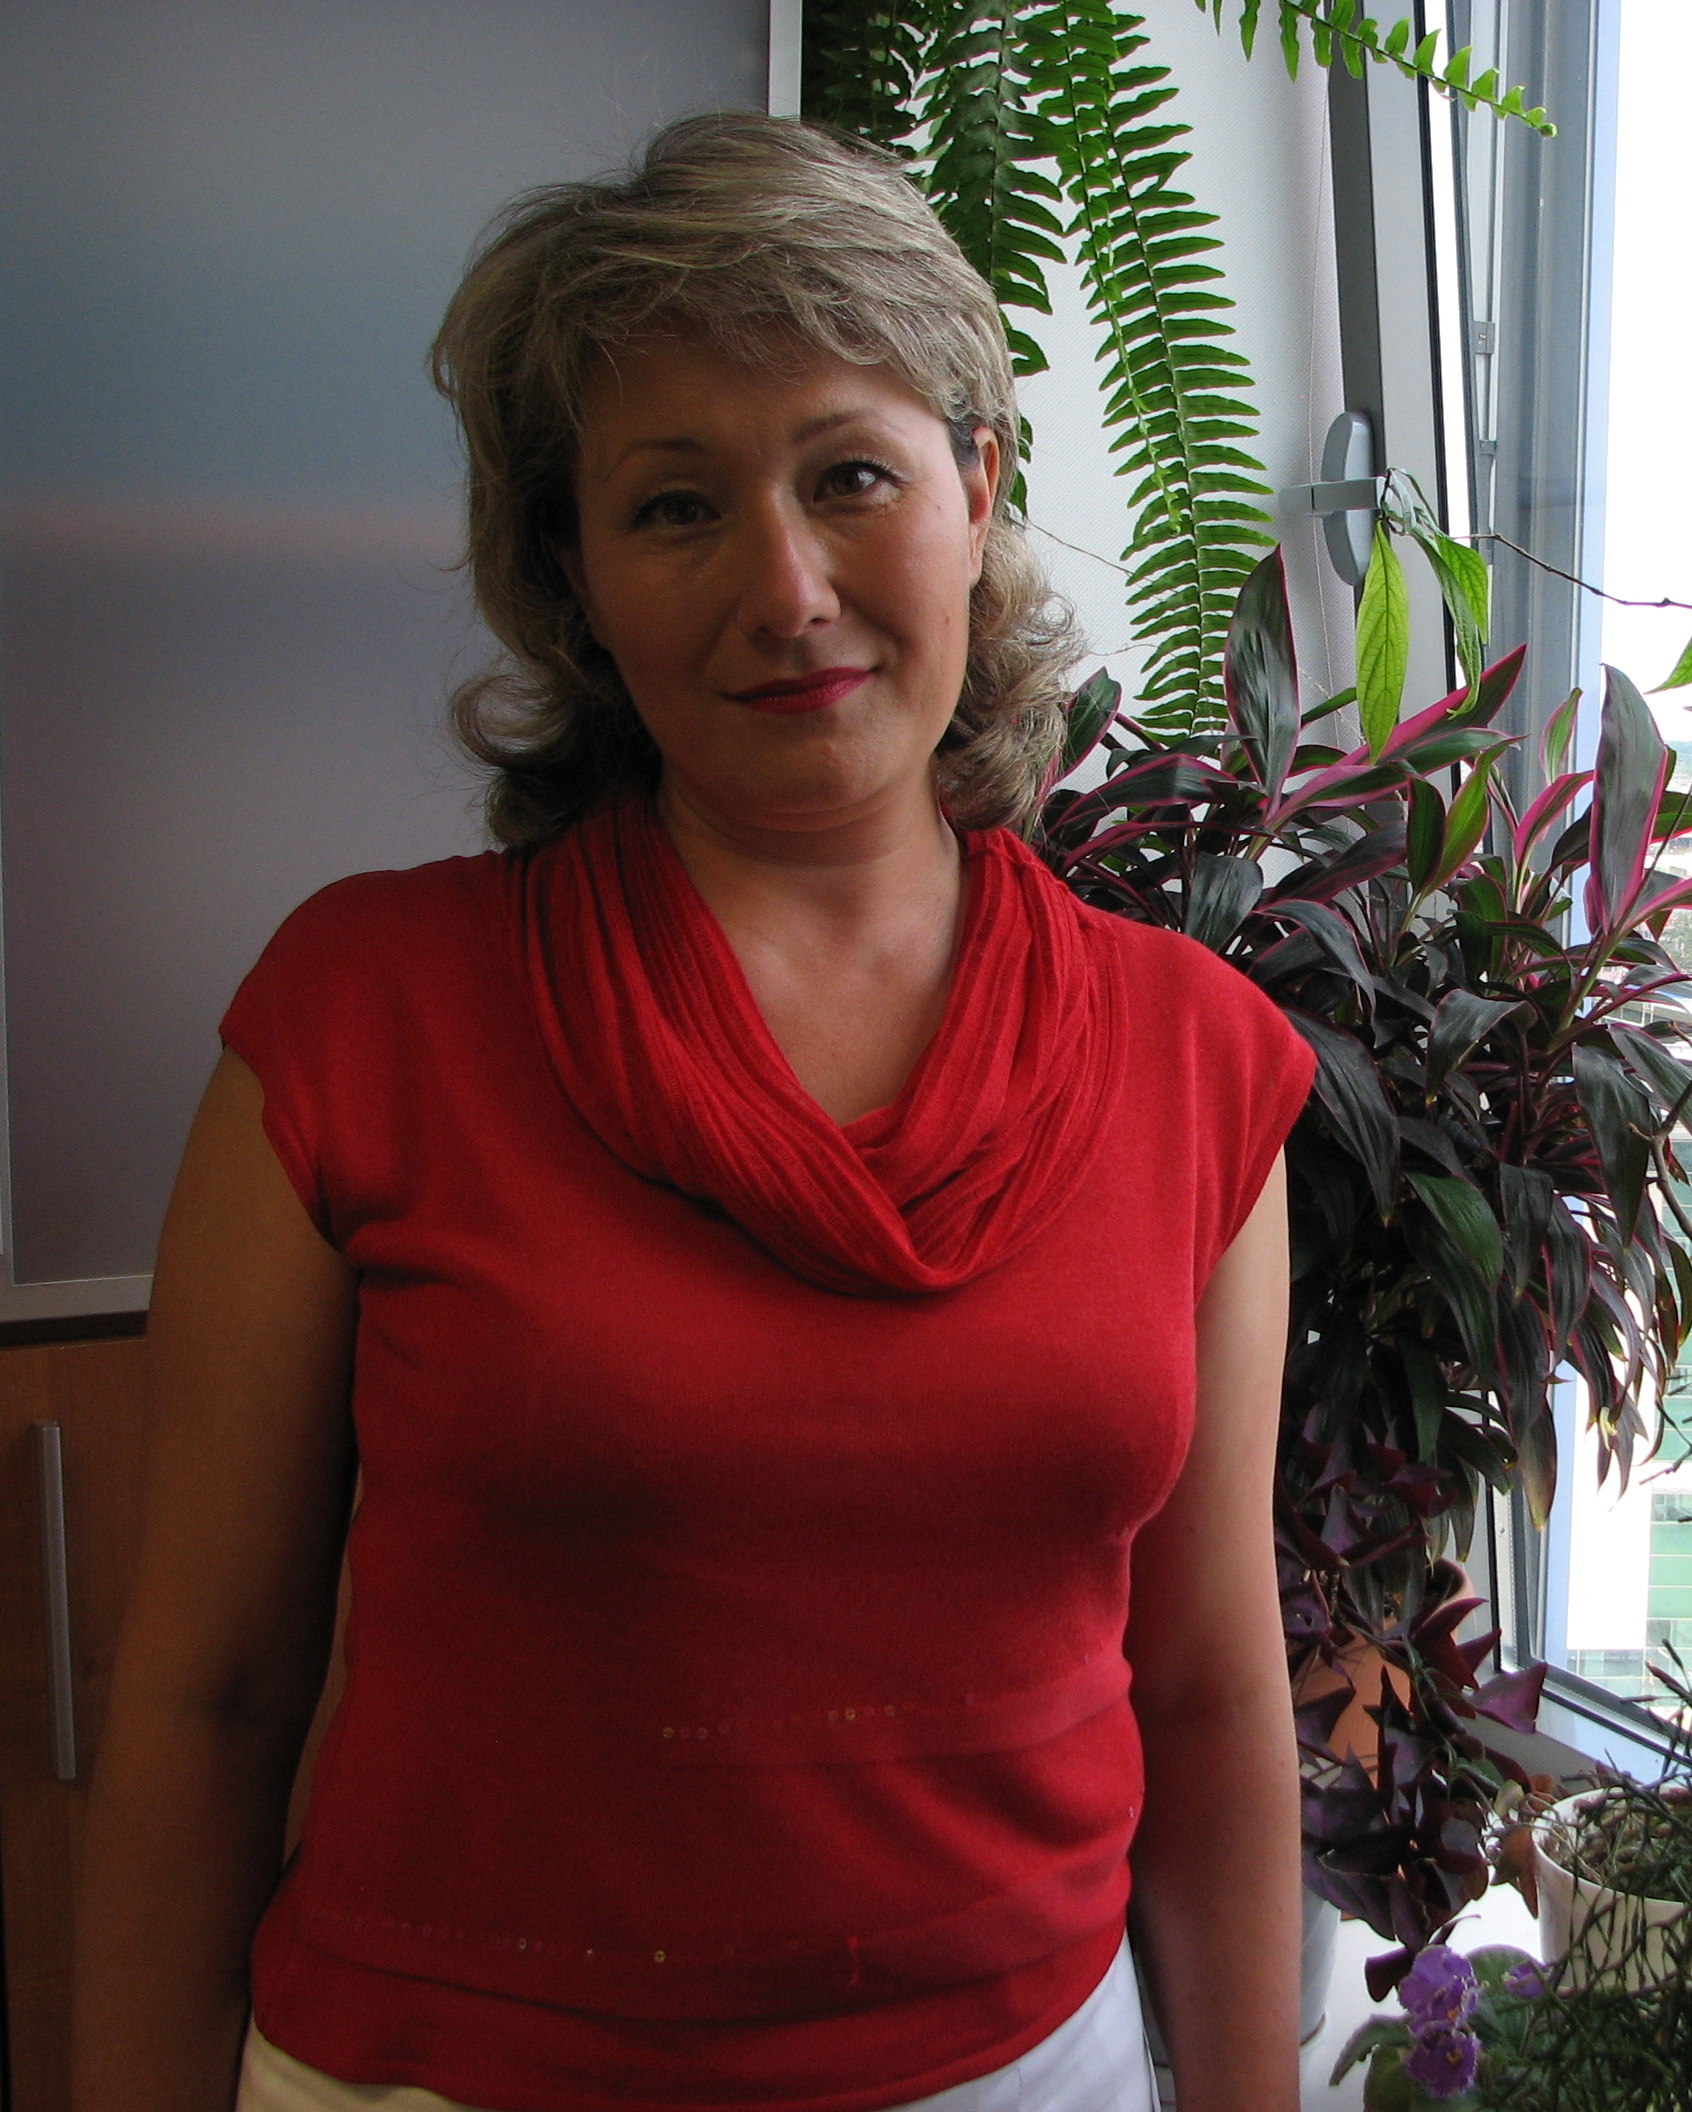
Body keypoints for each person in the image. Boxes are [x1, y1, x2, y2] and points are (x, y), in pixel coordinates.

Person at [71, 114, 1311, 2112]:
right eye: (674, 508)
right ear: (576, 576)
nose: (787, 587)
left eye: (850, 476)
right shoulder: (361, 1018)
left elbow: (1212, 1696)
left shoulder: (1196, 1060)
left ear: (978, 486)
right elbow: (207, 1704)